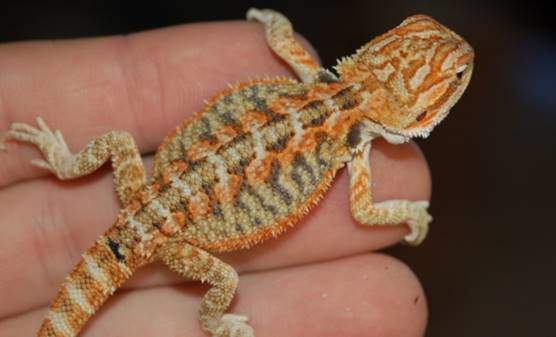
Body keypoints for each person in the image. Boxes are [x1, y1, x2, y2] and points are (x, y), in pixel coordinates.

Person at [0, 19, 428, 336]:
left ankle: (64, 163)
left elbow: (280, 37)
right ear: (419, 115)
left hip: (151, 201)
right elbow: (364, 210)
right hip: (168, 230)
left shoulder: (316, 85)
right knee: (226, 280)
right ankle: (210, 321)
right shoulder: (343, 131)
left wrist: (272, 22)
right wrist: (407, 211)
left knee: (118, 141)